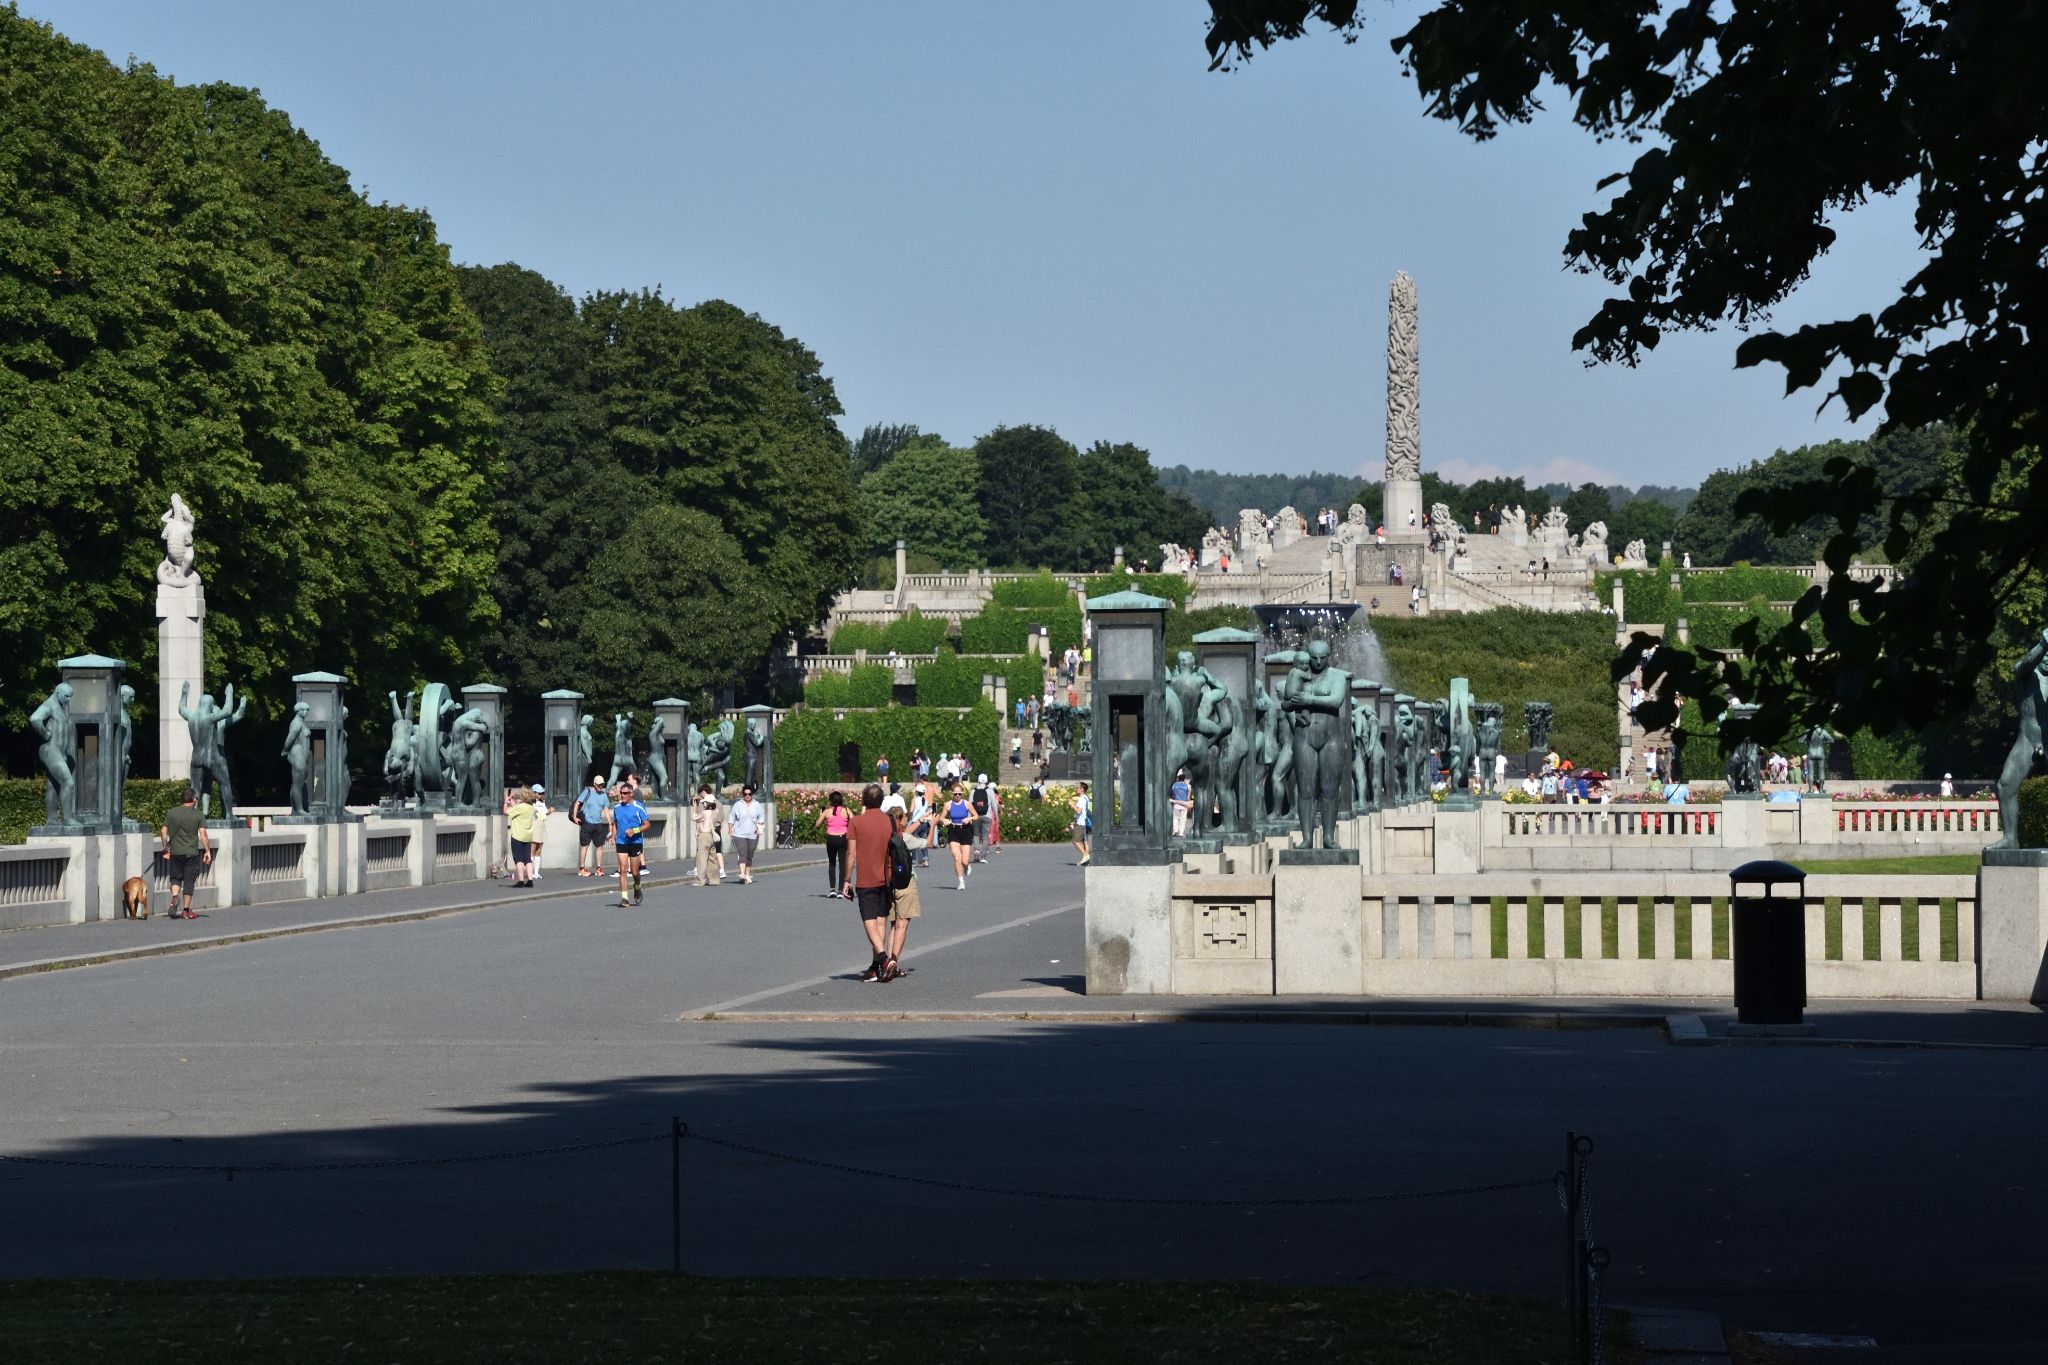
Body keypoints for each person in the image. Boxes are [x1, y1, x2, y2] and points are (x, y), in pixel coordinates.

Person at [841, 784, 898, 982]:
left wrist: (846, 880)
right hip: (887, 877)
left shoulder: (856, 822)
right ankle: (876, 967)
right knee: (881, 919)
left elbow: (851, 854)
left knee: (869, 920)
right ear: (881, 801)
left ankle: (882, 958)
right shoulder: (889, 821)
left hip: (866, 879)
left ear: (864, 801)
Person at [158, 786, 210, 919]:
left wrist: (165, 847)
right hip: (191, 852)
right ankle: (186, 911)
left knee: (175, 878)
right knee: (189, 881)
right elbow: (203, 834)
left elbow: (163, 831)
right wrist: (207, 851)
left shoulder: (172, 812)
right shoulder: (198, 814)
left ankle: (175, 897)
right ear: (193, 799)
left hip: (175, 852)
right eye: (196, 798)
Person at [609, 782, 649, 906]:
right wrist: (613, 836)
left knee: (635, 872)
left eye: (625, 793)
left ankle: (637, 887)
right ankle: (624, 898)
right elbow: (615, 824)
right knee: (623, 869)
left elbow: (647, 824)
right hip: (621, 841)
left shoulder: (638, 806)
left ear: (631, 793)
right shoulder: (617, 808)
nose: (622, 795)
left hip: (635, 842)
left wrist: (635, 831)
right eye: (621, 793)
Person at [728, 784, 765, 885]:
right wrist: (730, 830)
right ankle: (742, 874)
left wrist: (759, 827)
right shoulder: (738, 805)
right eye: (745, 794)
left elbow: (761, 817)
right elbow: (731, 818)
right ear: (743, 794)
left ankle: (747, 874)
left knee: (750, 853)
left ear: (752, 794)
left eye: (749, 794)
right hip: (739, 833)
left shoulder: (757, 805)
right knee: (742, 853)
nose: (747, 796)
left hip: (753, 834)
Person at [576, 775, 611, 878]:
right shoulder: (588, 792)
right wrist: (574, 816)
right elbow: (578, 803)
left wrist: (610, 823)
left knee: (599, 846)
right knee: (585, 846)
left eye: (602, 785)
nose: (601, 786)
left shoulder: (604, 795)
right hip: (587, 823)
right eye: (599, 785)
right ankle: (582, 868)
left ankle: (598, 868)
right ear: (594, 784)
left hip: (598, 823)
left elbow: (606, 810)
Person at [503, 785, 537, 888]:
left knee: (518, 858)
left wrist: (506, 801)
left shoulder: (521, 807)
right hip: (527, 836)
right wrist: (512, 801)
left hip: (518, 835)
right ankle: (530, 880)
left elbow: (506, 811)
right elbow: (517, 809)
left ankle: (521, 880)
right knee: (527, 859)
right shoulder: (531, 807)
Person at [690, 784, 723, 886]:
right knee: (712, 859)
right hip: (712, 835)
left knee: (702, 859)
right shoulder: (715, 811)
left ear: (707, 804)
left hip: (704, 835)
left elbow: (694, 817)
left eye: (704, 803)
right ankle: (714, 880)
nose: (703, 804)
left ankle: (701, 880)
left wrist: (694, 807)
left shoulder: (705, 813)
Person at [945, 784, 976, 888]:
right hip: (953, 831)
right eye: (955, 794)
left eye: (959, 794)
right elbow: (941, 817)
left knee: (964, 860)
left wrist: (969, 819)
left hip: (966, 831)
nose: (957, 796)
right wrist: (944, 820)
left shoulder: (967, 804)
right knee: (957, 858)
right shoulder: (948, 805)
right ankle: (961, 882)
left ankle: (966, 865)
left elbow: (976, 815)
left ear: (962, 794)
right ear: (952, 794)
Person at [822, 790, 851, 897]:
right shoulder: (846, 810)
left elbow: (817, 823)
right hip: (842, 838)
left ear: (830, 801)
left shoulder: (827, 811)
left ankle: (832, 889)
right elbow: (854, 821)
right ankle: (840, 890)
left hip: (830, 838)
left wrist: (821, 814)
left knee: (832, 863)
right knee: (842, 864)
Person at [907, 783, 935, 869]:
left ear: (917, 792)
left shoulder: (914, 800)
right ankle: (925, 860)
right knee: (924, 842)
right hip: (924, 823)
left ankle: (913, 861)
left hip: (916, 823)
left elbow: (911, 810)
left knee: (913, 842)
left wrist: (908, 815)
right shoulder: (925, 801)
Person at [527, 784, 550, 881]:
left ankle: (536, 872)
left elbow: (545, 812)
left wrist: (549, 811)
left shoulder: (542, 802)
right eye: (539, 793)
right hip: (534, 826)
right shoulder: (530, 803)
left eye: (541, 793)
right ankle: (530, 872)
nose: (540, 795)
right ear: (534, 793)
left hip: (541, 826)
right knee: (532, 850)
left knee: (538, 850)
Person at [970, 774, 994, 860]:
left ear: (978, 780)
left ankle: (976, 850)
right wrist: (997, 817)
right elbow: (994, 805)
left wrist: (969, 817)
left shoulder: (973, 791)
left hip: (976, 816)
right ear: (987, 781)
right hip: (987, 816)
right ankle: (983, 856)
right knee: (985, 836)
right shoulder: (990, 791)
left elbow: (969, 804)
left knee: (976, 835)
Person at [1071, 781, 1092, 866]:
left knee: (1075, 841)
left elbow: (1078, 811)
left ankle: (1085, 855)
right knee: (1085, 841)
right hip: (1084, 822)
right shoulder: (1086, 797)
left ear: (1082, 789)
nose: (1076, 789)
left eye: (1078, 788)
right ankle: (1086, 859)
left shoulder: (1082, 798)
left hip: (1081, 823)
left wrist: (1072, 804)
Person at [1169, 768, 1193, 837]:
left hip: (1176, 804)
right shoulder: (1188, 786)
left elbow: (1172, 795)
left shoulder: (1173, 786)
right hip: (1184, 805)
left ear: (1178, 778)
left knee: (1175, 818)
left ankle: (1175, 830)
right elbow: (1188, 797)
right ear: (1184, 779)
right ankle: (1181, 833)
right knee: (1183, 819)